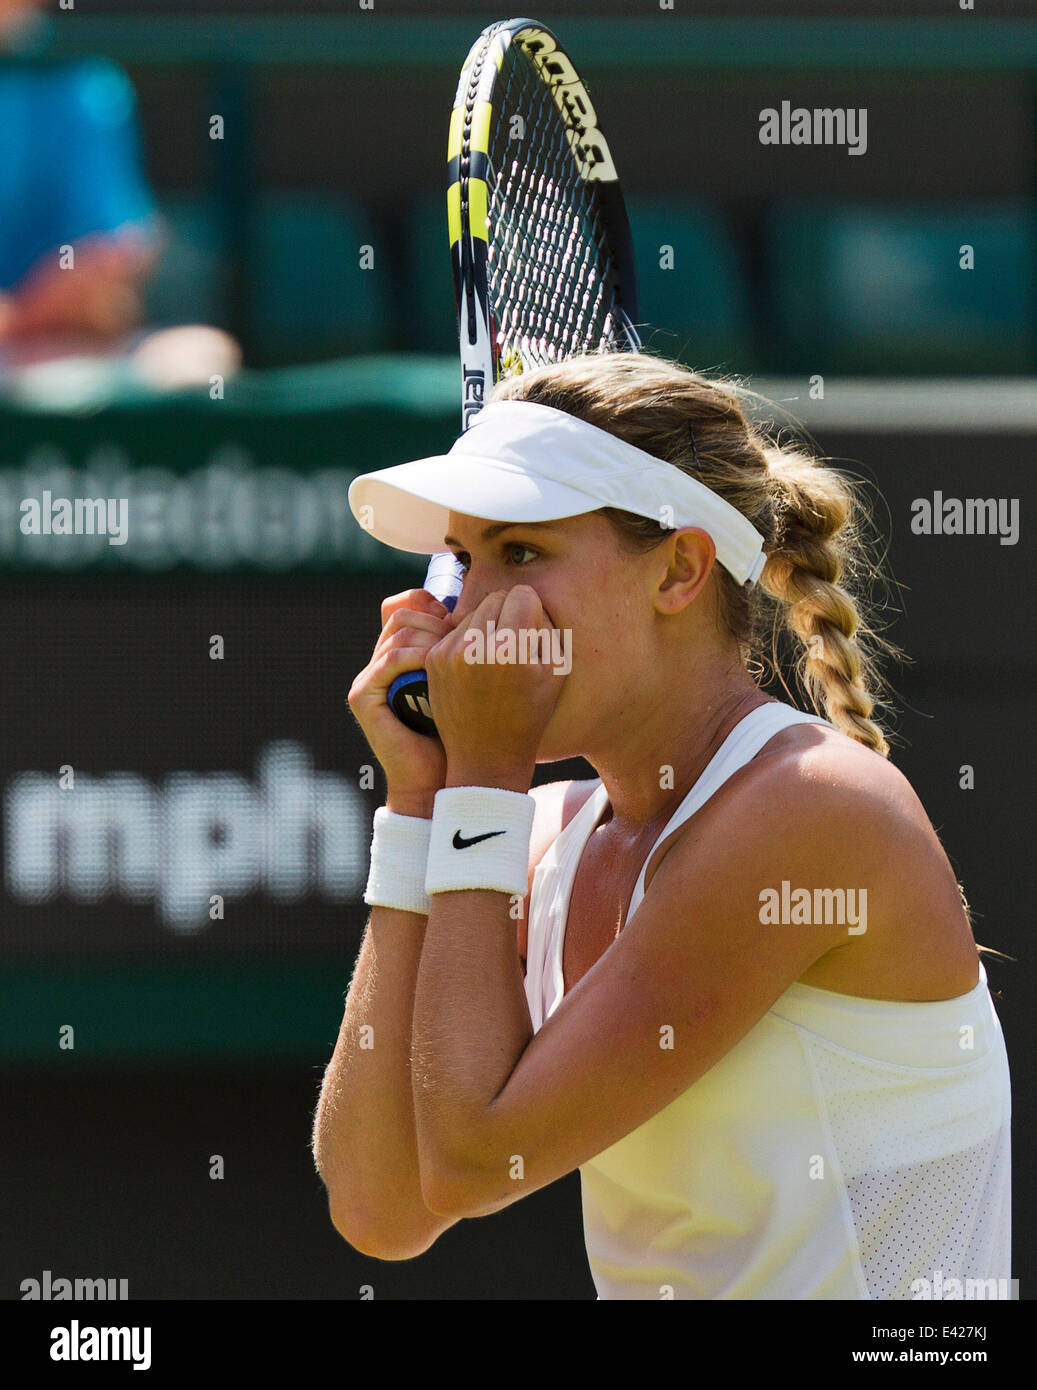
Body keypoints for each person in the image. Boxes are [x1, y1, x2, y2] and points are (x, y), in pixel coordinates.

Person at [314, 350, 1012, 1300]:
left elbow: (479, 1159)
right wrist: (420, 804)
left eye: (522, 553)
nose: (475, 612)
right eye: (466, 560)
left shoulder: (812, 809)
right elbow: (381, 1208)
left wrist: (480, 778)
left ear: (679, 570)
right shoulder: (546, 835)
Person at [0, 0, 238, 388]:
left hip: (49, 353)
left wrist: (59, 308)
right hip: (20, 349)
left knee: (199, 354)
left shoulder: (82, 79)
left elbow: (113, 251)